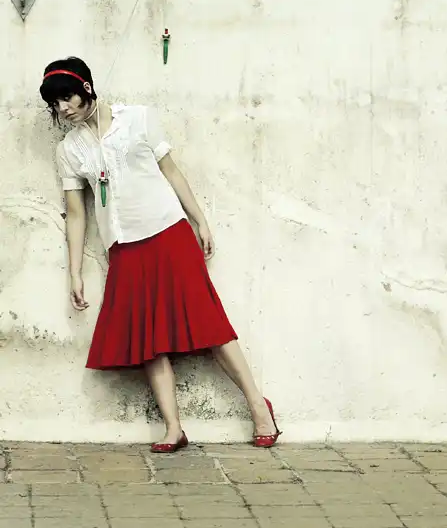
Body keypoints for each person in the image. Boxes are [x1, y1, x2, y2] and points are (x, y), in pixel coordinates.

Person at [39, 56, 281, 452]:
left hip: (169, 232)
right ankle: (173, 428)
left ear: (86, 88)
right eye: (55, 104)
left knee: (210, 325)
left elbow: (171, 171)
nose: (62, 109)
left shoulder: (137, 118)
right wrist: (75, 272)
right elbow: (77, 213)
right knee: (148, 339)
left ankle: (259, 406)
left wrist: (200, 220)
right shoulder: (69, 149)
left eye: (66, 98)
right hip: (124, 247)